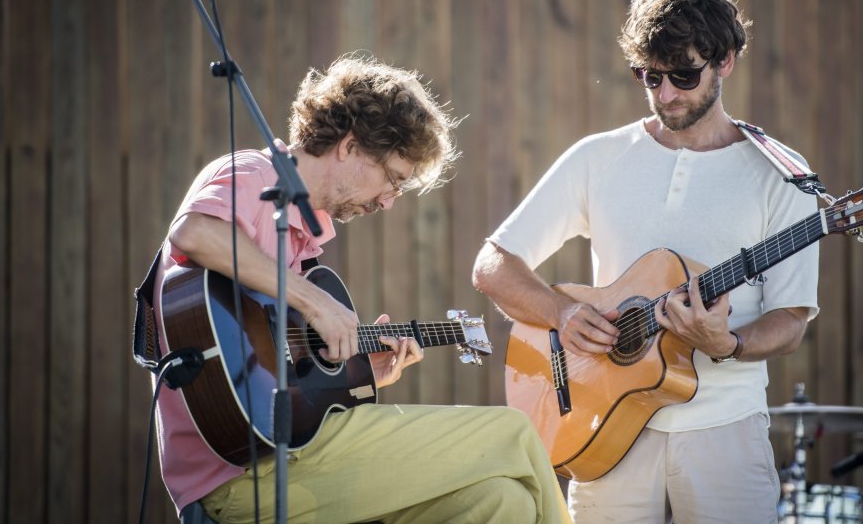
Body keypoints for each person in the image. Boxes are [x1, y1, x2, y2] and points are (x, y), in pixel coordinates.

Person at [150, 54, 571, 524]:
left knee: (500, 501)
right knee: (512, 432)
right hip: (240, 473)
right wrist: (314, 300)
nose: (389, 202)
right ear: (350, 147)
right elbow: (195, 234)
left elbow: (277, 365)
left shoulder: (303, 242)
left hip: (292, 457)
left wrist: (356, 374)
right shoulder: (255, 175)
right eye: (393, 178)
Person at [472, 0, 819, 523]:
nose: (664, 94)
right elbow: (494, 264)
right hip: (603, 433)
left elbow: (791, 319)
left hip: (726, 436)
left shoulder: (782, 175)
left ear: (725, 59)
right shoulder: (598, 157)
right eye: (648, 77)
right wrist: (561, 312)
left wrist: (725, 343)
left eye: (682, 76)